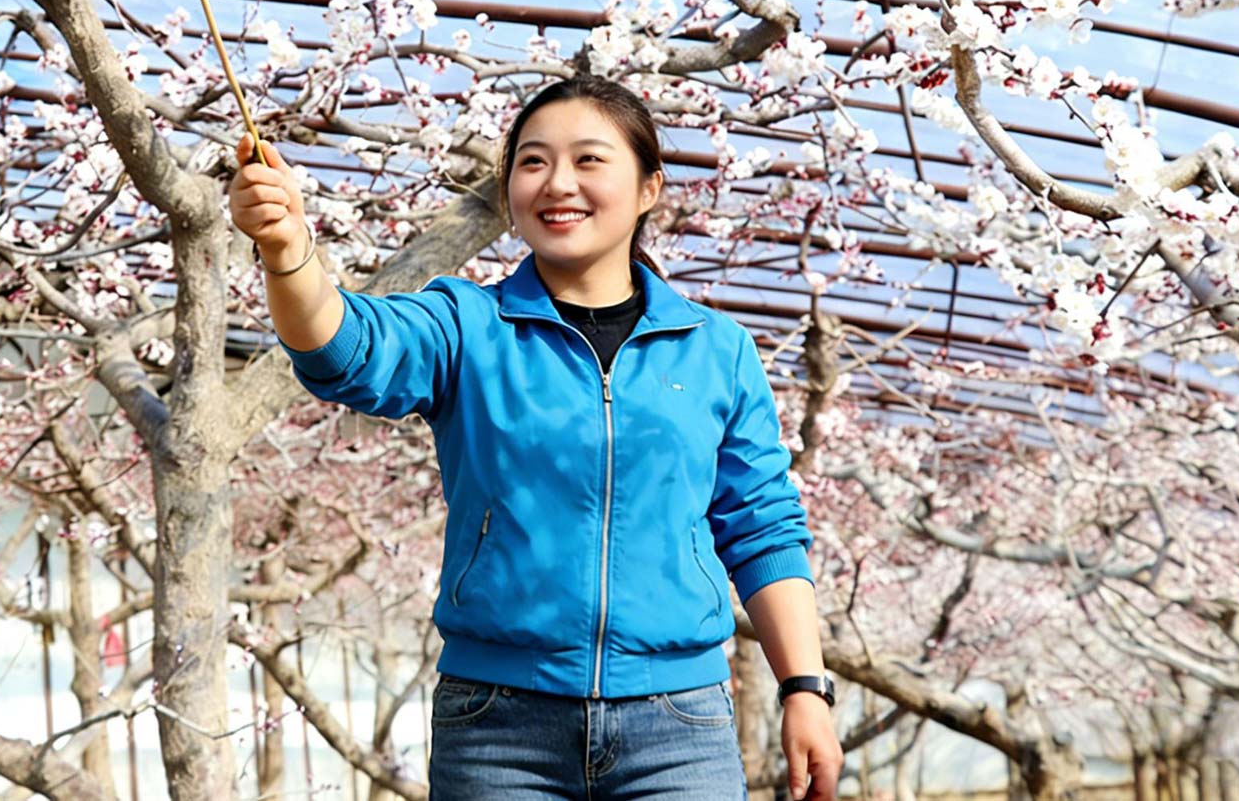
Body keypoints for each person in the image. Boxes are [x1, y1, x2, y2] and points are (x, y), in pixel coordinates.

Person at [230, 76, 844, 799]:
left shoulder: (715, 350)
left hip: (679, 728)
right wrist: (288, 251)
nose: (558, 183)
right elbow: (346, 350)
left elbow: (762, 528)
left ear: (649, 187)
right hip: (497, 725)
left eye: (589, 160)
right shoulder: (466, 325)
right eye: (532, 161)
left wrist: (804, 686)